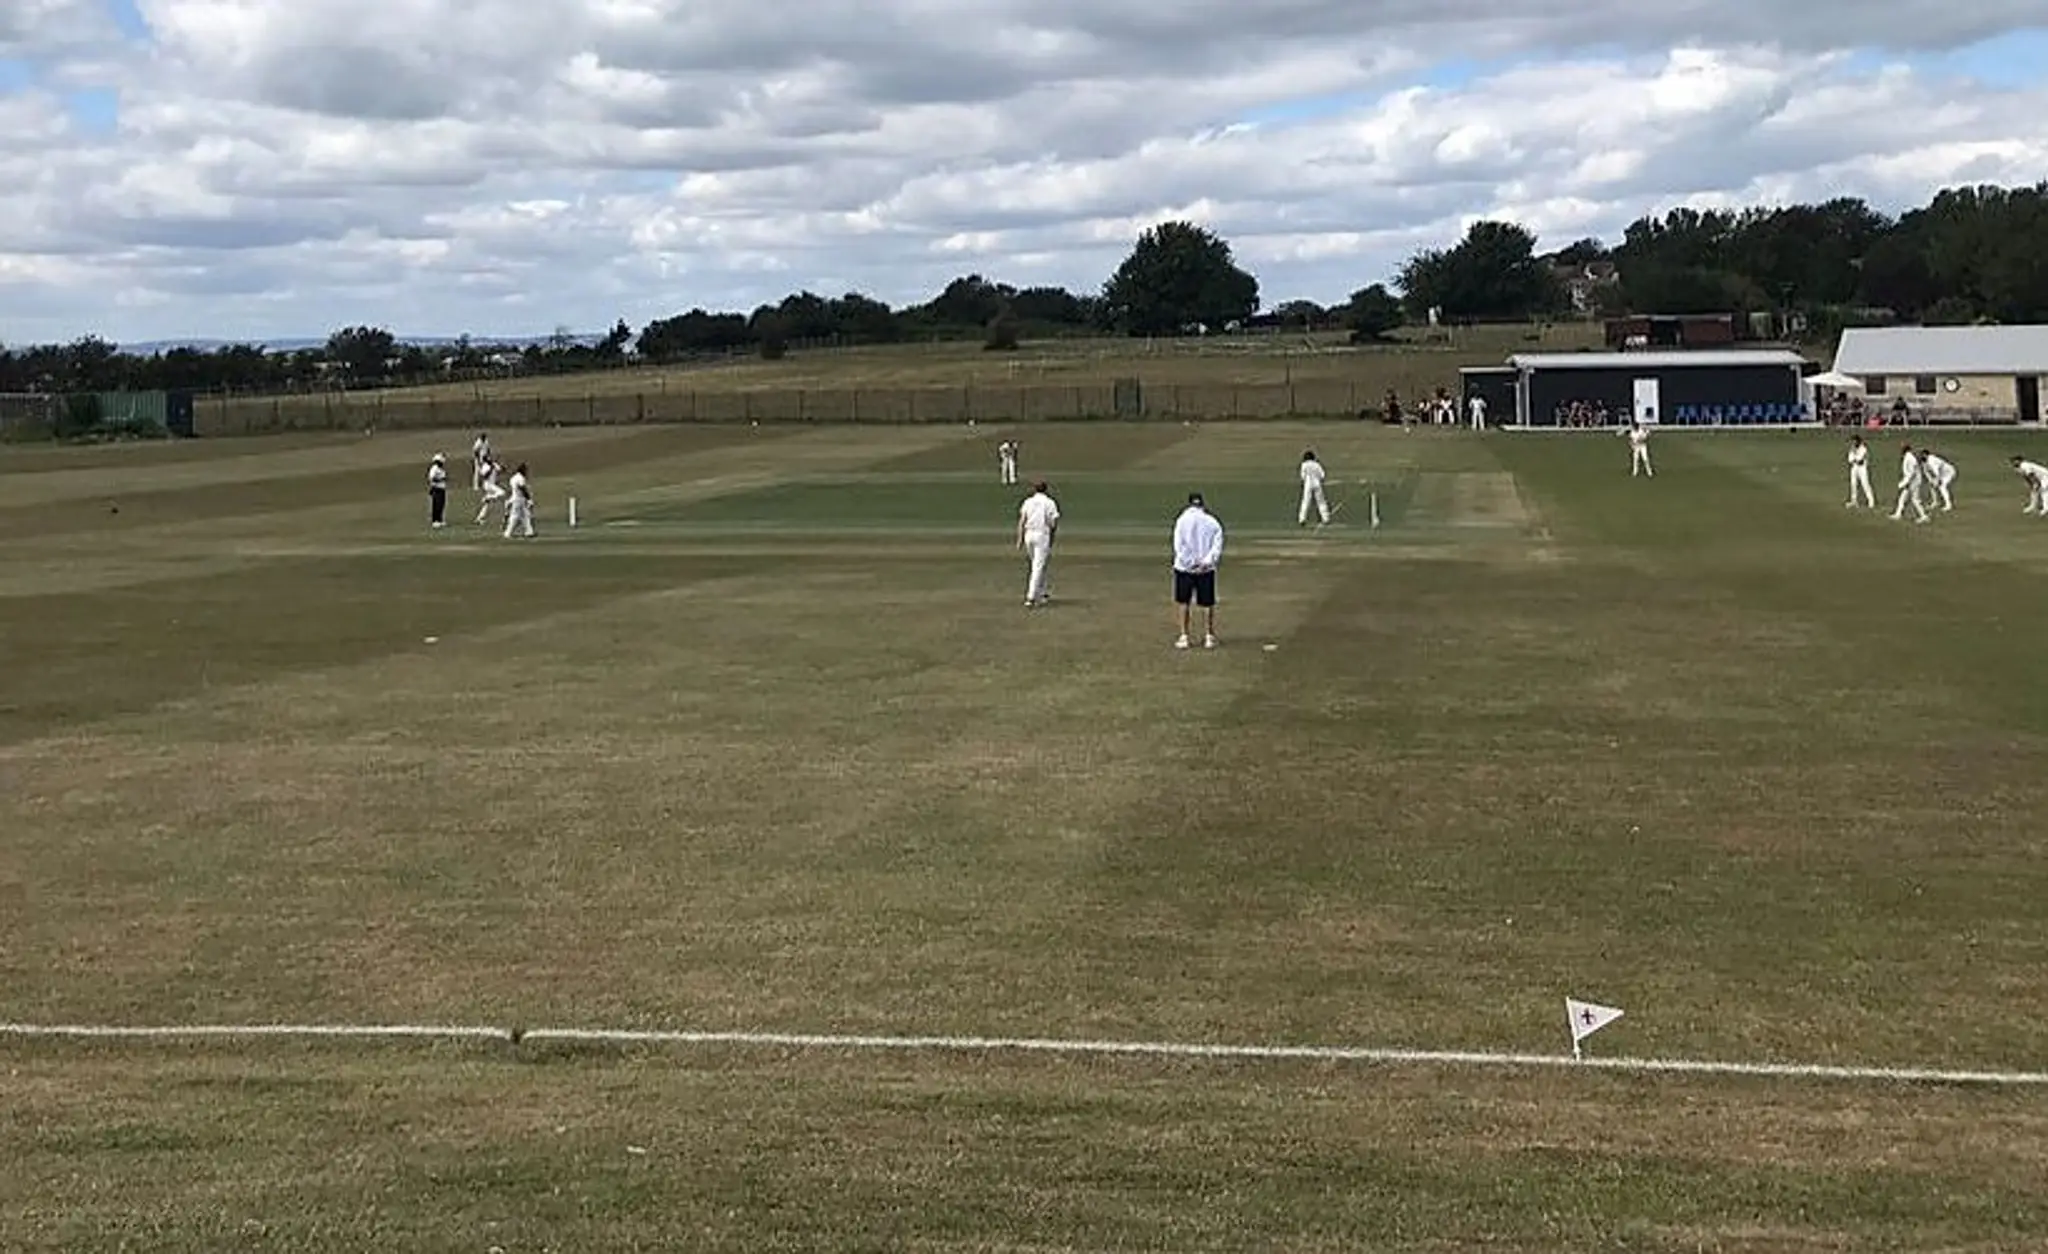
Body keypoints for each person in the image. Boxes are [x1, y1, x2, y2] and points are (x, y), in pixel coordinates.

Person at [1172, 491, 1224, 650]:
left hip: (1184, 568)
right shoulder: (1212, 522)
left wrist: (1190, 562)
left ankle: (1184, 636)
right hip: (1205, 570)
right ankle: (1209, 636)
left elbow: (1179, 545)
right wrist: (1206, 562)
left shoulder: (1182, 521)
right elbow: (1217, 544)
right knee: (1207, 603)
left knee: (1183, 602)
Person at [1016, 479, 1058, 606]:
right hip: (1041, 535)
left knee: (1038, 564)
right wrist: (1052, 536)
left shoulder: (1028, 502)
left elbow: (1022, 520)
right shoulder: (1049, 502)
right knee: (1037, 566)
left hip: (1029, 535)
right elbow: (1053, 522)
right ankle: (1031, 597)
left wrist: (1020, 538)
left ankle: (1043, 592)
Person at [1892, 442, 1929, 523]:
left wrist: (1905, 483)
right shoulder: (1908, 457)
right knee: (1902, 498)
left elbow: (1911, 473)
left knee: (1915, 500)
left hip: (1913, 482)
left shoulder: (1910, 458)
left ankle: (1924, 516)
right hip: (1912, 481)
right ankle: (1898, 514)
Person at [1298, 450, 1330, 526]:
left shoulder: (1304, 465)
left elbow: (1302, 476)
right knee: (1321, 501)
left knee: (1306, 501)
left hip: (1308, 484)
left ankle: (1302, 519)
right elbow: (1322, 475)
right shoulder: (1317, 465)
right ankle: (1325, 518)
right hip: (1317, 483)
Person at [504, 462, 535, 538]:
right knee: (515, 516)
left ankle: (529, 532)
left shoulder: (513, 478)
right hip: (519, 499)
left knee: (525, 515)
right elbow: (522, 488)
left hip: (516, 498)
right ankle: (508, 533)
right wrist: (529, 499)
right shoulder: (520, 478)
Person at [475, 454, 506, 524]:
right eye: (488, 458)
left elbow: (502, 470)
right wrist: (491, 468)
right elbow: (484, 476)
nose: (490, 459)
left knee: (487, 504)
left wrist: (501, 466)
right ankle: (488, 497)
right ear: (485, 460)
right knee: (502, 493)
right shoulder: (485, 466)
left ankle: (479, 518)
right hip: (488, 485)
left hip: (492, 484)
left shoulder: (494, 464)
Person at [1846, 435, 1874, 509]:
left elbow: (1860, 459)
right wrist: (1853, 457)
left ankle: (1871, 501)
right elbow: (1849, 459)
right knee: (1853, 484)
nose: (1853, 443)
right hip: (1854, 468)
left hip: (1862, 468)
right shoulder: (1852, 448)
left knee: (1865, 484)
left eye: (1854, 441)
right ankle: (1853, 501)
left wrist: (1854, 456)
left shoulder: (1863, 448)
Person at [427, 453, 448, 528]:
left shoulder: (440, 469)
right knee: (436, 504)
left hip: (442, 489)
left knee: (442, 504)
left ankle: (440, 519)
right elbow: (431, 478)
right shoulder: (434, 468)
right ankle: (435, 520)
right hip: (436, 489)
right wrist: (441, 479)